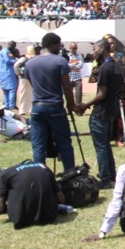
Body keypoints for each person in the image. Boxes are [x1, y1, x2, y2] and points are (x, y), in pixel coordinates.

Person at [76, 38, 124, 188]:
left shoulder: (105, 68)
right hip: (111, 110)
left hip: (102, 111)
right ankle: (110, 175)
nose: (93, 52)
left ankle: (105, 179)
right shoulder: (116, 65)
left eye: (95, 49)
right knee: (105, 145)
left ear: (102, 49)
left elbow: (101, 94)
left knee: (101, 147)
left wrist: (85, 105)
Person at [26, 32, 78, 171]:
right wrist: (72, 105)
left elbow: (33, 84)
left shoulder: (30, 63)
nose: (59, 49)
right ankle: (70, 174)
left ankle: (40, 178)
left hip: (37, 107)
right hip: (54, 107)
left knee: (38, 146)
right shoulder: (60, 61)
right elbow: (66, 87)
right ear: (52, 44)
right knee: (64, 143)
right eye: (58, 46)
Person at [0, 160, 65, 229]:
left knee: (2, 177)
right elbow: (61, 199)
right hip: (48, 216)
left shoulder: (9, 172)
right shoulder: (45, 168)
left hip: (20, 218)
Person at [14, 45, 37, 118]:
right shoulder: (24, 59)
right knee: (23, 93)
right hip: (24, 78)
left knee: (31, 93)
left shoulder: (34, 58)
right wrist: (19, 74)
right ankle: (22, 109)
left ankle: (30, 108)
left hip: (31, 78)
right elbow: (16, 66)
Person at [0, 41, 20, 111]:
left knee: (6, 90)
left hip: (4, 74)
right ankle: (11, 106)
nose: (14, 48)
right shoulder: (6, 51)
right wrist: (16, 61)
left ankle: (6, 105)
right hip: (8, 73)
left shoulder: (4, 51)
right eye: (13, 46)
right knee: (12, 89)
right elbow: (8, 61)